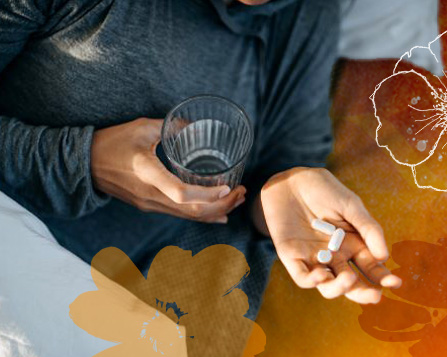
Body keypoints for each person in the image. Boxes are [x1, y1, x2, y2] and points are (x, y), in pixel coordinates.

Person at [0, 0, 389, 320]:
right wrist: (84, 161)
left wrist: (281, 188)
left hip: (128, 316)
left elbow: (284, 158)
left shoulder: (308, 14)